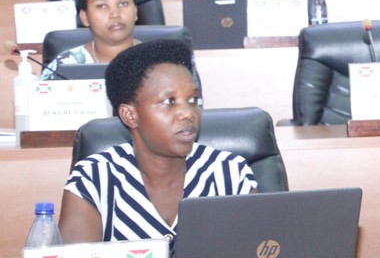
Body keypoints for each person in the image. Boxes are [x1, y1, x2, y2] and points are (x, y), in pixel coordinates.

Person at [58, 39, 257, 246]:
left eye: (193, 100)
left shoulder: (229, 173)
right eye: (169, 102)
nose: (188, 114)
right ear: (129, 115)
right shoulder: (94, 178)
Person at [41, 0, 139, 79]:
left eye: (123, 4)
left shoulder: (159, 60)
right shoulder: (64, 67)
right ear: (85, 17)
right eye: (101, 6)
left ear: (136, 11)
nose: (115, 14)